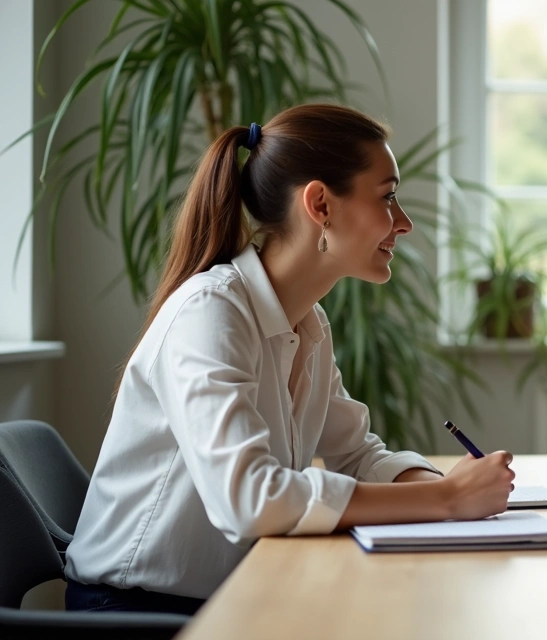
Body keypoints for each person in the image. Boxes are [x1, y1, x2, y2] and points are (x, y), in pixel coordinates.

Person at [64, 104, 516, 614]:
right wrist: (446, 500)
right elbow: (251, 500)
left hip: (222, 597)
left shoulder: (307, 323)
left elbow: (357, 453)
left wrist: (447, 487)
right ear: (320, 204)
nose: (404, 223)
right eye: (388, 198)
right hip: (133, 611)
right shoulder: (210, 312)